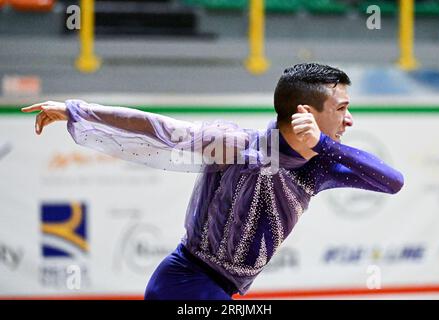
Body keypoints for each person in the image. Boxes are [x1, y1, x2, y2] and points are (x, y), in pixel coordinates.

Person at [22, 63, 404, 300]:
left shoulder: (319, 167)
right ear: (305, 112)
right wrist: (76, 110)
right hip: (185, 282)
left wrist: (322, 144)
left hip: (218, 290)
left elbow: (392, 181)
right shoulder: (237, 145)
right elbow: (161, 129)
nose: (349, 120)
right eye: (341, 108)